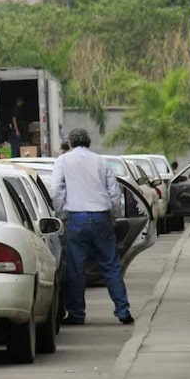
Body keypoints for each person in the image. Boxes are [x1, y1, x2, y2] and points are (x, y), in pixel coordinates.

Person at [49, 128, 134, 325]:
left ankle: (77, 314)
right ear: (89, 143)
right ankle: (123, 311)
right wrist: (113, 215)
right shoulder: (101, 161)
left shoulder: (63, 161)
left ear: (69, 144)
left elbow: (56, 189)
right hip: (101, 217)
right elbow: (114, 192)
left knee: (76, 269)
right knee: (111, 266)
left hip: (76, 218)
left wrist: (61, 213)